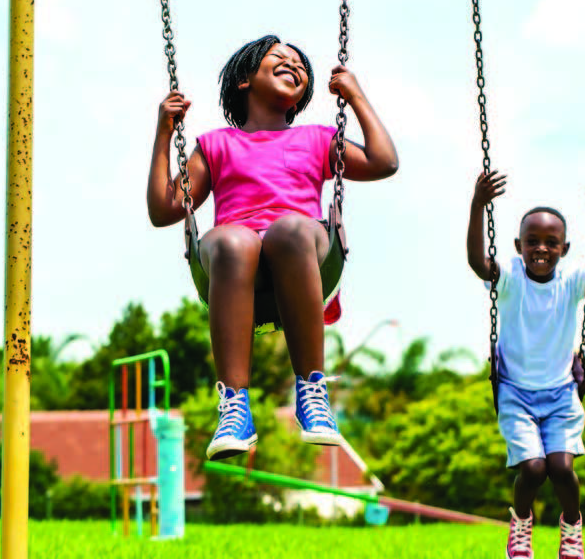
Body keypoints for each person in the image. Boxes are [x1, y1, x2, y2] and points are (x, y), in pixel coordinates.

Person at [147, 35, 398, 461]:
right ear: (245, 80)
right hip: (236, 262)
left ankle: (312, 392)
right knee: (231, 238)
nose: (294, 66)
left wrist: (354, 95)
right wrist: (163, 133)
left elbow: (383, 161)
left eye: (300, 65)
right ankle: (234, 406)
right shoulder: (215, 145)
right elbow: (164, 209)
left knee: (289, 231)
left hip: (303, 250)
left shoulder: (318, 138)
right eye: (279, 59)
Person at [466, 170, 585, 559]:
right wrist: (477, 205)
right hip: (516, 394)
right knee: (533, 469)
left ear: (565, 248)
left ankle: (572, 530)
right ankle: (520, 525)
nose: (541, 249)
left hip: (560, 395)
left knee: (562, 469)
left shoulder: (570, 281)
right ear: (518, 245)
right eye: (532, 241)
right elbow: (476, 262)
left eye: (551, 243)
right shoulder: (510, 279)